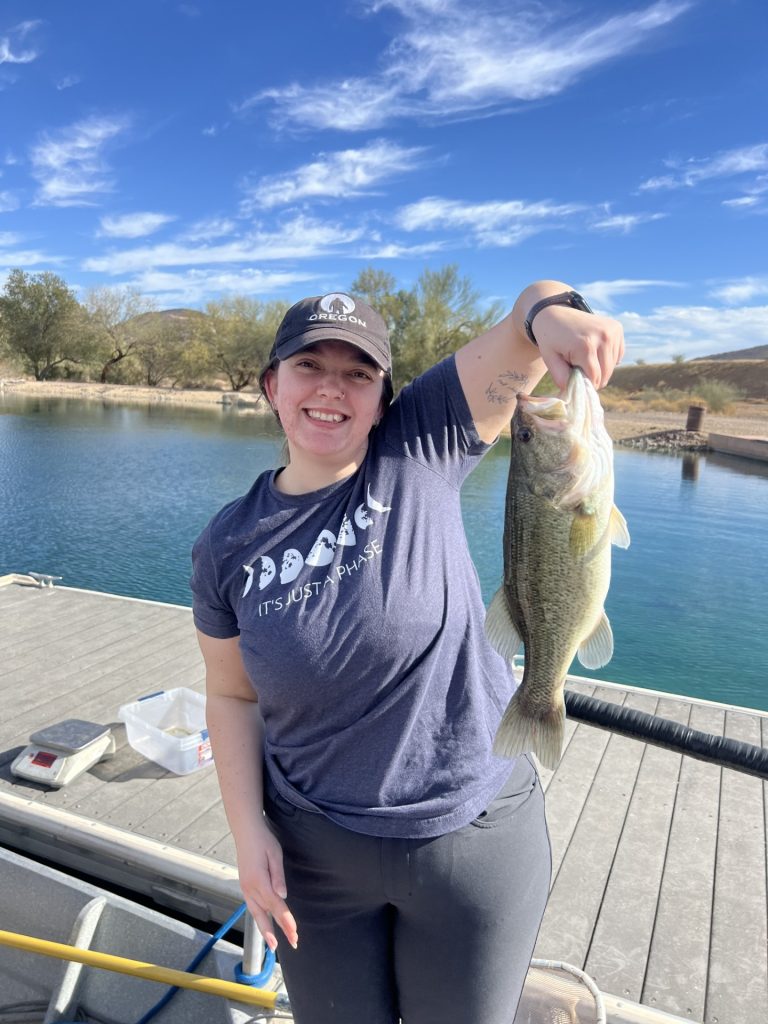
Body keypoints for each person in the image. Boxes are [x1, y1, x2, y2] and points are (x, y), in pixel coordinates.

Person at [190, 281, 624, 1024]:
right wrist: (247, 827)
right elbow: (231, 694)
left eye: (357, 372)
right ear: (271, 385)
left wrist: (556, 310)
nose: (331, 390)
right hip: (312, 857)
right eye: (308, 365)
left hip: (472, 837)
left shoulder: (419, 446)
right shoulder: (226, 544)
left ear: (385, 395)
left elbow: (530, 311)